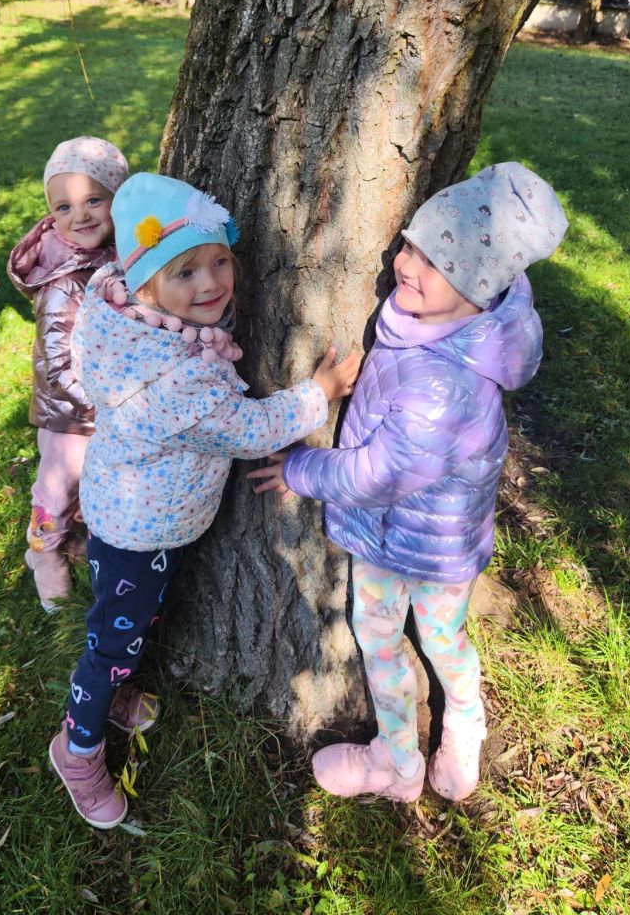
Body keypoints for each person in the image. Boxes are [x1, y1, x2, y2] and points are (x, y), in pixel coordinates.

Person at [48, 172, 362, 829]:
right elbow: (249, 429)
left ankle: (116, 693)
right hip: (139, 531)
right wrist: (320, 393)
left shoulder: (126, 323)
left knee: (134, 622)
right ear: (145, 285)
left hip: (131, 514)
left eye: (219, 260)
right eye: (185, 272)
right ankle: (78, 749)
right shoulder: (177, 379)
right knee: (111, 643)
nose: (211, 283)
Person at [249, 162, 567, 804]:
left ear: (477, 287)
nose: (405, 265)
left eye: (435, 262)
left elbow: (380, 473)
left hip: (420, 543)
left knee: (420, 640)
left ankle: (442, 741)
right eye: (411, 246)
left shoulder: (441, 389)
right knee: (400, 639)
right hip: (409, 536)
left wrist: (299, 468)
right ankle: (413, 753)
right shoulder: (441, 322)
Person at [8, 136, 129, 612]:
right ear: (51, 216)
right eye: (63, 207)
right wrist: (98, 406)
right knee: (58, 488)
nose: (80, 215)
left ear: (118, 198)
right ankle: (43, 553)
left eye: (93, 200)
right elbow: (57, 363)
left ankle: (76, 539)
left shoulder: (119, 254)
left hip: (106, 404)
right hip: (70, 412)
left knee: (97, 484)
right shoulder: (63, 279)